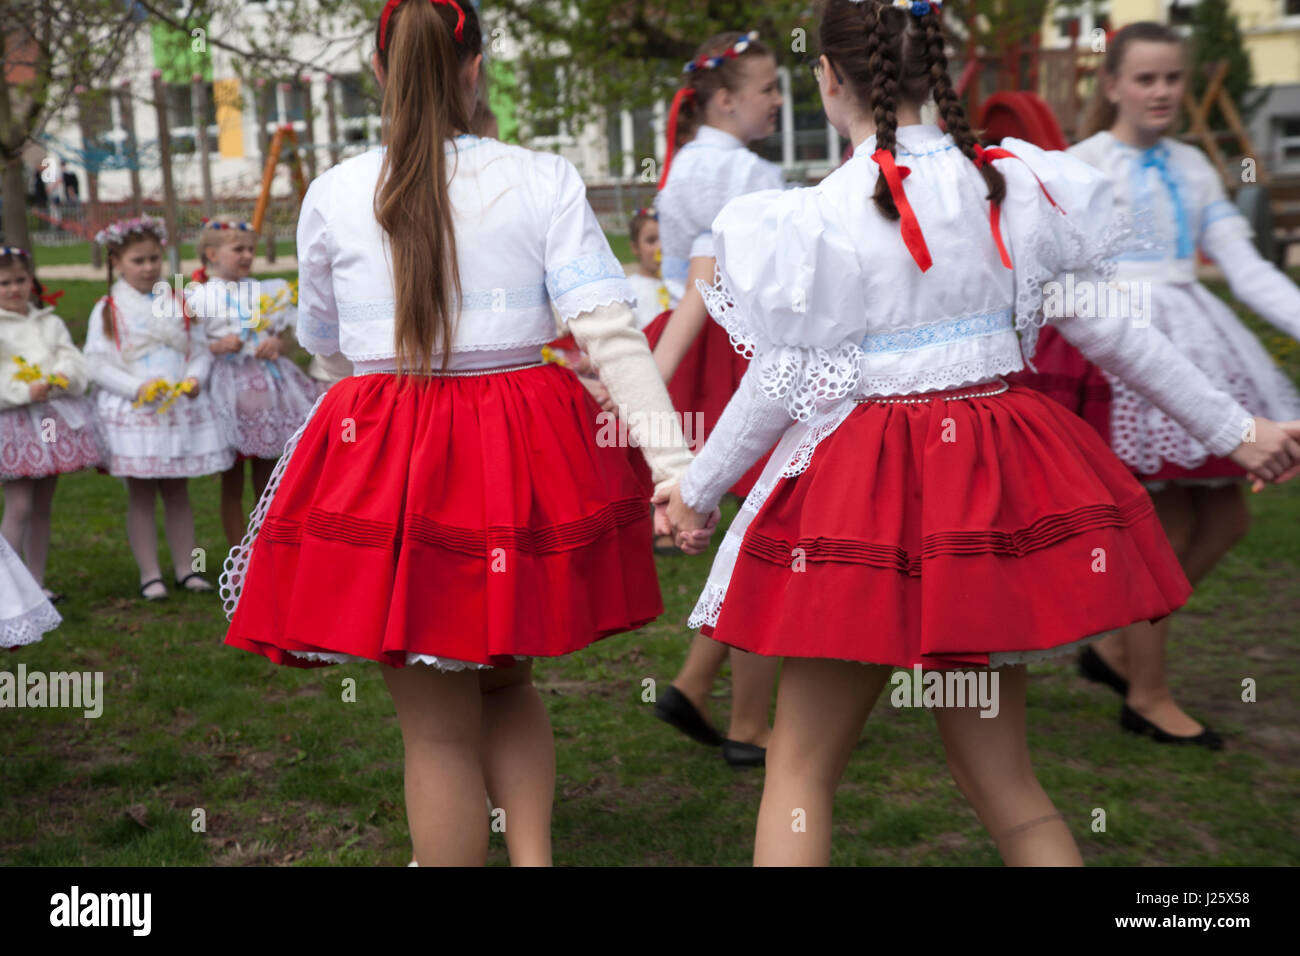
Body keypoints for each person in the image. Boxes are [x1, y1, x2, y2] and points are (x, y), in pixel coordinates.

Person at [654, 0, 1300, 865]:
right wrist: (1238, 427)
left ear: (830, 78)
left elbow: (784, 376)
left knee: (802, 776)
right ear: (940, 73)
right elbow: (1111, 329)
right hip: (989, 487)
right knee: (1007, 785)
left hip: (863, 495)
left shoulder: (819, 213)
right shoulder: (1014, 183)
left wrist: (696, 488)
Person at [220, 0, 701, 866]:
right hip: (518, 440)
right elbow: (609, 331)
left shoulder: (333, 190)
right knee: (509, 680)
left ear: (378, 72)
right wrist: (672, 463)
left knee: (437, 733)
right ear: (476, 68)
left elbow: (324, 344)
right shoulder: (541, 176)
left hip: (389, 440)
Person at [1012, 21, 1300, 748]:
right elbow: (1039, 269)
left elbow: (1249, 268)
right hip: (1121, 354)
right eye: (1145, 78)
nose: (1162, 91)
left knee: (1228, 519)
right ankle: (1147, 692)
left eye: (1172, 77)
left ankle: (1116, 648)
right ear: (1111, 85)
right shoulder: (1076, 166)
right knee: (1163, 525)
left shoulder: (1198, 168)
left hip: (1199, 346)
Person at [85, 216, 233, 600]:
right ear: (117, 261)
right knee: (142, 494)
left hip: (178, 411)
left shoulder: (178, 301)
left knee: (178, 491)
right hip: (137, 415)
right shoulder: (109, 308)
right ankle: (150, 574)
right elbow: (97, 364)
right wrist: (137, 387)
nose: (149, 267)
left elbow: (198, 350)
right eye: (138, 260)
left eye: (154, 258)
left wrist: (196, 378)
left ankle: (188, 568)